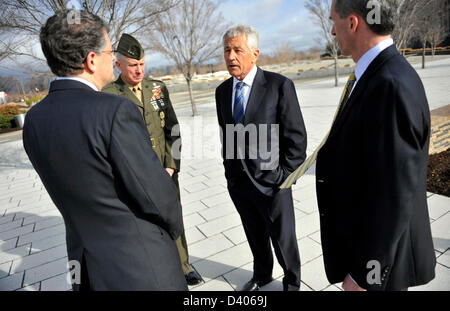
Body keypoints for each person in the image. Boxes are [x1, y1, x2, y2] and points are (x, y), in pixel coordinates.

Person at [23, 10, 188, 291]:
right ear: (90, 60)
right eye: (110, 51)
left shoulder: (34, 121)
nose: (114, 58)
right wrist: (170, 232)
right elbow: (158, 195)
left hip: (85, 267)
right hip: (140, 266)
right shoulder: (113, 111)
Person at [315, 0, 436, 291]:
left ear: (353, 23)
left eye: (334, 21)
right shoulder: (376, 73)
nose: (332, 30)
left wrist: (365, 274)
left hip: (382, 263)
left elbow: (395, 193)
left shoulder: (389, 84)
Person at [103, 33, 202, 286]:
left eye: (142, 64)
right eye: (133, 65)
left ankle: (184, 265)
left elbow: (174, 129)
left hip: (164, 171)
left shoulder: (157, 88)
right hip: (133, 174)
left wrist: (171, 165)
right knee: (143, 224)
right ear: (119, 65)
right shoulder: (108, 95)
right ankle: (156, 269)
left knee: (173, 216)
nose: (139, 70)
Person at [215, 25, 307, 291]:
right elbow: (227, 135)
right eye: (227, 50)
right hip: (240, 183)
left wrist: (283, 177)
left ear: (255, 54)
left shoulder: (279, 86)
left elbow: (297, 139)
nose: (231, 57)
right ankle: (262, 275)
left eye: (237, 50)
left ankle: (292, 282)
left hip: (272, 182)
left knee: (283, 239)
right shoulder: (222, 92)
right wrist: (230, 173)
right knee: (254, 235)